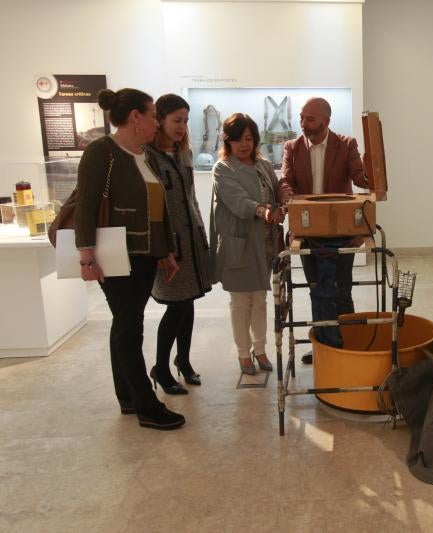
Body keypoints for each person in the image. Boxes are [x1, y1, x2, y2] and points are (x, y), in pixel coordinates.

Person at [75, 88, 183, 430]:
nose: (156, 123)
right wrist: (85, 254)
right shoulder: (101, 152)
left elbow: (156, 210)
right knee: (129, 327)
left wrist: (164, 251)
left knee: (125, 323)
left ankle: (126, 396)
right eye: (153, 116)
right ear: (135, 117)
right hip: (114, 254)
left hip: (144, 255)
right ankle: (146, 406)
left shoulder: (145, 155)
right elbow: (86, 205)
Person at [278, 97, 369, 363]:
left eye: (310, 119)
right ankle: (323, 347)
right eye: (302, 118)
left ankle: (347, 344)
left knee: (342, 289)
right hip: (308, 234)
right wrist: (290, 201)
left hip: (341, 232)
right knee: (316, 288)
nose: (303, 124)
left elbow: (359, 178)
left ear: (326, 121)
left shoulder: (346, 145)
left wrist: (376, 169)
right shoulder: (292, 148)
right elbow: (285, 181)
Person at [146, 94, 212, 394]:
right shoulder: (148, 156)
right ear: (159, 119)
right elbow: (152, 208)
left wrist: (201, 233)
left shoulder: (181, 152)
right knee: (176, 307)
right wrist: (162, 249)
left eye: (186, 121)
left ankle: (183, 361)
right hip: (169, 246)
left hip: (191, 243)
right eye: (176, 120)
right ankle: (161, 368)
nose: (182, 127)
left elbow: (191, 199)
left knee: (188, 304)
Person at [209, 113, 283, 375]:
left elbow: (277, 189)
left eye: (249, 138)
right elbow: (238, 201)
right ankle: (243, 354)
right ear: (228, 141)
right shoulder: (223, 168)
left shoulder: (262, 164)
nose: (244, 144)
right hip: (238, 245)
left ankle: (260, 349)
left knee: (260, 300)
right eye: (238, 139)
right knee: (240, 302)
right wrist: (262, 210)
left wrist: (282, 200)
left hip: (264, 244)